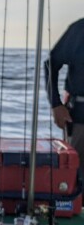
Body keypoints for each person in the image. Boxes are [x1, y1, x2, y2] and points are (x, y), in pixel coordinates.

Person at [45, 18, 84, 170]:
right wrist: (56, 105)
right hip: (80, 118)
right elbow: (51, 65)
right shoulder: (80, 29)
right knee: (75, 175)